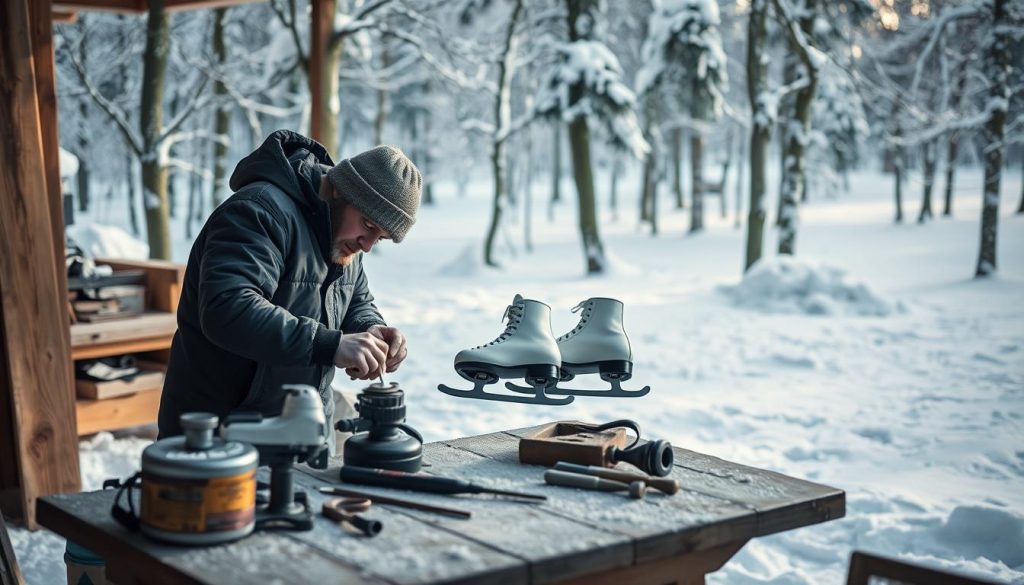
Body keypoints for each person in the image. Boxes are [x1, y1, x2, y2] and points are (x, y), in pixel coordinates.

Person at [158, 129, 421, 439]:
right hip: (219, 435)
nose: (367, 244)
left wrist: (370, 329)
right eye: (369, 225)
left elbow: (355, 301)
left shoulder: (346, 237)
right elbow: (228, 309)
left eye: (383, 238)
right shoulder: (257, 211)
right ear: (339, 190)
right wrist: (330, 344)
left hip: (302, 433)